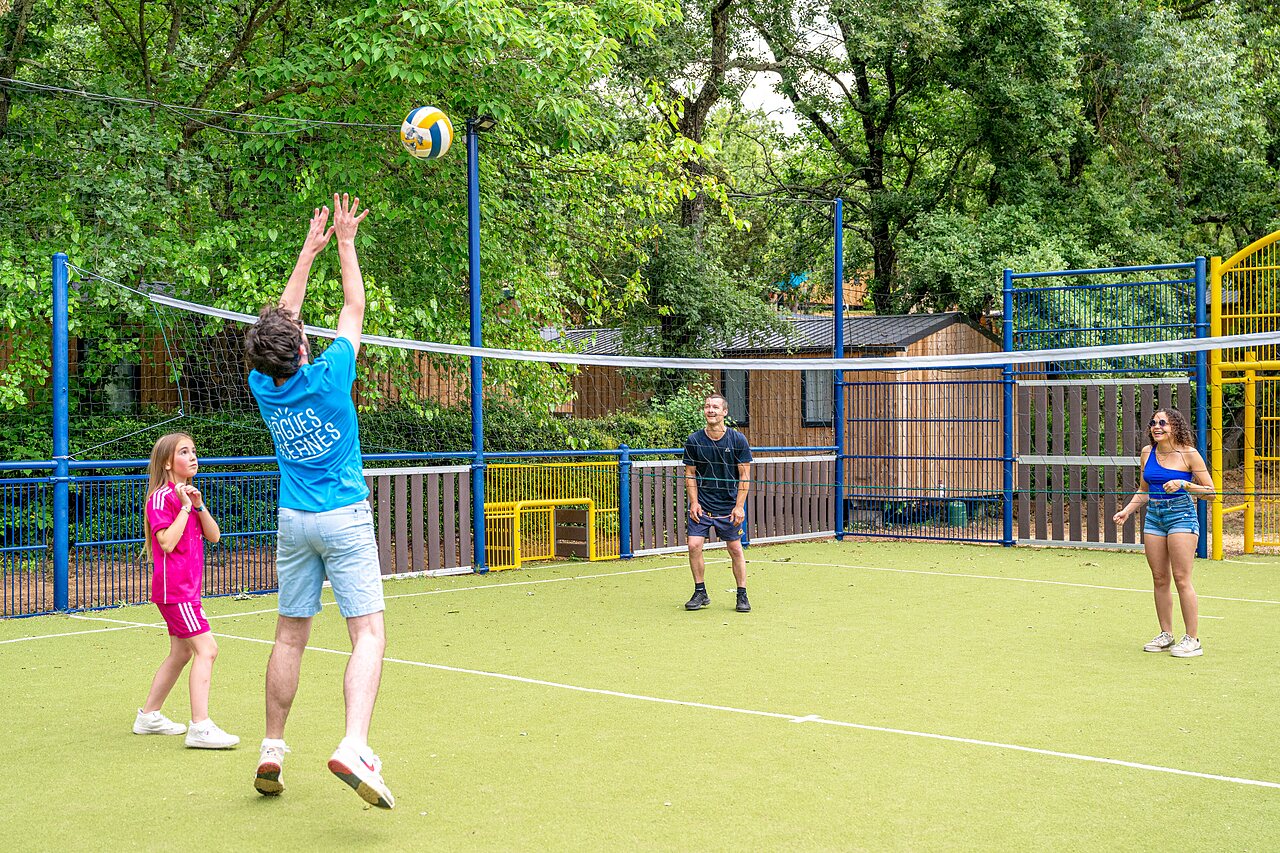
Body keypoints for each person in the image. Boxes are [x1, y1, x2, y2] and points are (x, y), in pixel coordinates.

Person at [244, 194, 394, 809]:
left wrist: (308, 249)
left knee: (289, 635)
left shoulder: (261, 381)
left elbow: (281, 321)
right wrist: (346, 242)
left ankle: (272, 749)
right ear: (304, 348)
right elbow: (354, 306)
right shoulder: (331, 373)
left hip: (294, 520)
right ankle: (355, 743)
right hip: (344, 516)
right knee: (369, 634)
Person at [133, 432, 239, 749]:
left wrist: (197, 505)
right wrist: (182, 508)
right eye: (184, 452)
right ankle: (200, 728)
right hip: (175, 590)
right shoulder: (160, 498)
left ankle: (148, 716)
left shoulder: (188, 496)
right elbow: (165, 541)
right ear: (168, 462)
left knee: (181, 653)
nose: (193, 456)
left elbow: (215, 536)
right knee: (207, 650)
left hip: (187, 590)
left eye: (194, 450)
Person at [1113, 408, 1213, 658]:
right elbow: (1144, 489)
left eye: (1163, 423)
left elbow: (1211, 492)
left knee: (1181, 578)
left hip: (1181, 515)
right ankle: (1166, 634)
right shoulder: (1148, 452)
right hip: (1154, 516)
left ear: (1175, 427)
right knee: (1159, 578)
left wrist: (1184, 484)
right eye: (1153, 423)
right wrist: (1127, 510)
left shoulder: (1189, 454)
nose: (1156, 427)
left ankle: (1192, 639)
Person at [683, 392, 753, 613]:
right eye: (707, 407)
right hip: (702, 505)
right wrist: (694, 502)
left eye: (715, 407)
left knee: (735, 548)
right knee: (693, 546)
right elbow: (690, 474)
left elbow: (744, 476)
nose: (710, 410)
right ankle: (700, 592)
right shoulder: (694, 440)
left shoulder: (737, 440)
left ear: (724, 412)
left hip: (729, 505)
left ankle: (742, 595)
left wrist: (739, 506)